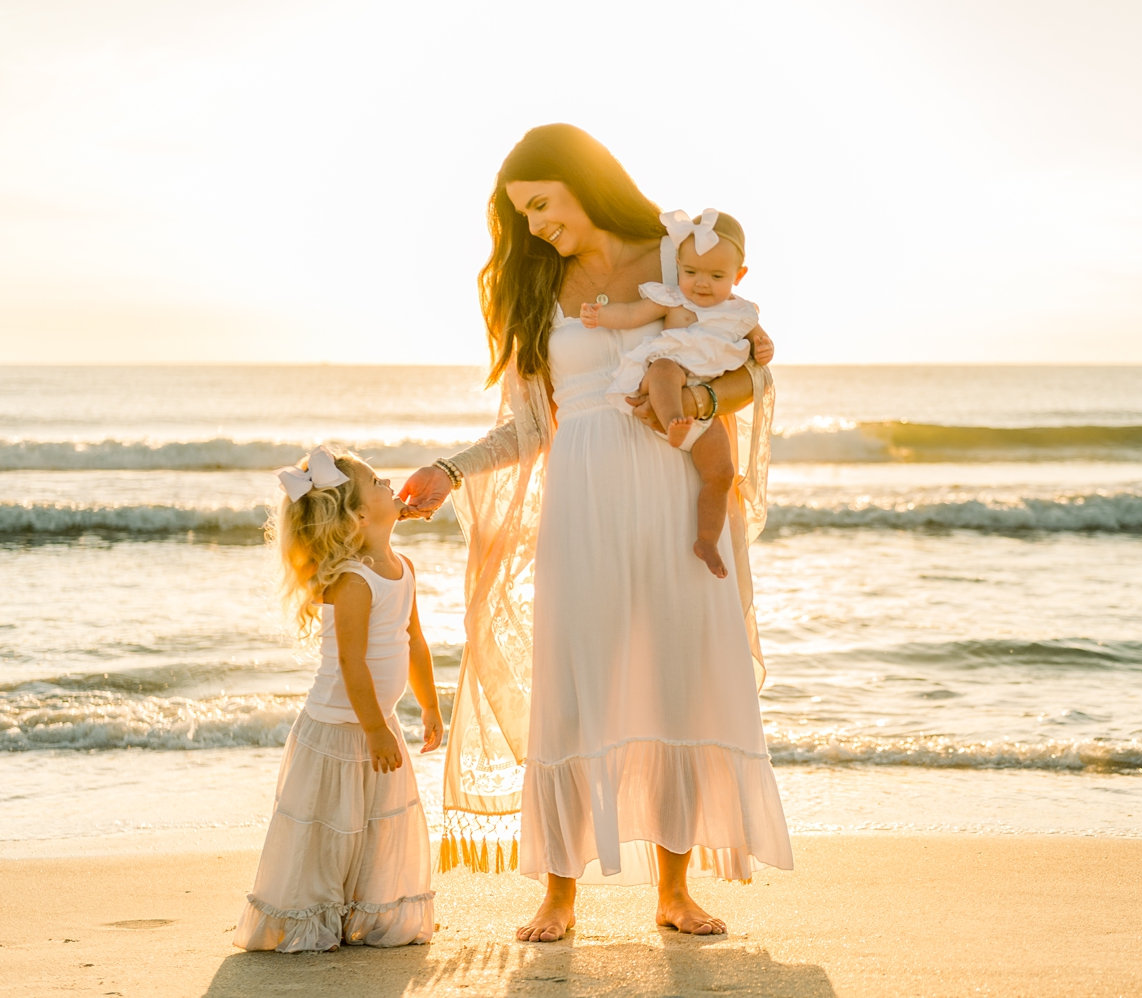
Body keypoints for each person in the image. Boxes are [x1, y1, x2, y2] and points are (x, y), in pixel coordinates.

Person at [399, 123, 791, 943]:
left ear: (583, 181)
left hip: (678, 495)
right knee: (573, 684)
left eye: (543, 204)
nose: (536, 225)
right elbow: (527, 427)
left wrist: (706, 404)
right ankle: (559, 895)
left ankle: (674, 892)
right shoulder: (537, 289)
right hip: (582, 507)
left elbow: (750, 365)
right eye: (523, 215)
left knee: (679, 675)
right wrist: (452, 468)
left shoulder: (675, 256)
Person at [233, 446, 443, 953]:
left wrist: (430, 705)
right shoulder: (354, 581)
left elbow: (414, 640)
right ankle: (309, 919)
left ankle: (363, 914)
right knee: (328, 829)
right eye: (377, 483)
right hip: (337, 729)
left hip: (378, 721)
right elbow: (352, 664)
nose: (390, 484)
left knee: (372, 827)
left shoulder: (403, 565)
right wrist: (374, 729)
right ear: (360, 515)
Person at [583, 208, 764, 578]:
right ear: (678, 266)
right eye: (691, 272)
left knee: (721, 472)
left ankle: (707, 541)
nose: (701, 283)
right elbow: (633, 314)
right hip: (667, 378)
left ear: (738, 276)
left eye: (716, 276)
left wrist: (764, 347)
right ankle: (669, 425)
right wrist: (602, 317)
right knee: (664, 369)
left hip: (702, 404)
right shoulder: (673, 300)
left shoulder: (741, 314)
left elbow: (758, 344)